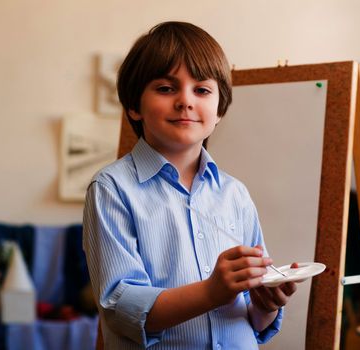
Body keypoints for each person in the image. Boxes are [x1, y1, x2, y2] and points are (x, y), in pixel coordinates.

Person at [83, 21, 298, 349]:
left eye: (202, 90)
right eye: (166, 88)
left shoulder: (234, 194)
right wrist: (212, 291)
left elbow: (254, 320)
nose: (185, 101)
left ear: (219, 110)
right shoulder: (111, 190)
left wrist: (266, 303)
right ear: (133, 106)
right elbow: (121, 309)